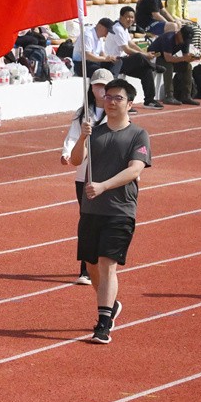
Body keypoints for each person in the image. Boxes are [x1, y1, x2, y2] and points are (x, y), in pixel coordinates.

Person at [69, 78, 151, 344]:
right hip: (92, 209)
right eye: (108, 97)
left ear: (130, 103)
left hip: (120, 209)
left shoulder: (138, 134)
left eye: (118, 98)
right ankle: (111, 305)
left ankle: (103, 323)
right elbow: (75, 160)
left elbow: (135, 169)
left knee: (107, 264)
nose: (112, 102)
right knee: (92, 265)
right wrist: (82, 135)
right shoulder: (96, 132)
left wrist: (104, 185)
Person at [61, 67, 114, 286]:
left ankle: (104, 262)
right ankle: (85, 268)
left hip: (109, 178)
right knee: (87, 221)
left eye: (104, 86)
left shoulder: (117, 113)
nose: (100, 90)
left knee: (106, 221)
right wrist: (66, 152)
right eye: (96, 85)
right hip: (84, 177)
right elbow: (72, 136)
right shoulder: (83, 114)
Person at [105, 7, 163, 110]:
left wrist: (145, 53)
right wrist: (145, 55)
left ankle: (149, 100)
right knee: (139, 57)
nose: (130, 20)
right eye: (127, 17)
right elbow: (127, 49)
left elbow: (131, 44)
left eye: (132, 17)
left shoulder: (124, 29)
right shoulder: (117, 28)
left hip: (123, 62)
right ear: (121, 17)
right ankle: (155, 66)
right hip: (114, 62)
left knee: (146, 71)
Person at [152, 24, 198, 106]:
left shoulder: (184, 41)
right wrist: (184, 58)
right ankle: (169, 95)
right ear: (179, 33)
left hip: (167, 58)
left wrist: (191, 58)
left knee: (187, 66)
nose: (184, 41)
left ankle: (186, 95)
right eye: (183, 38)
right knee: (168, 65)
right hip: (155, 57)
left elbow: (185, 56)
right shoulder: (168, 38)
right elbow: (168, 58)